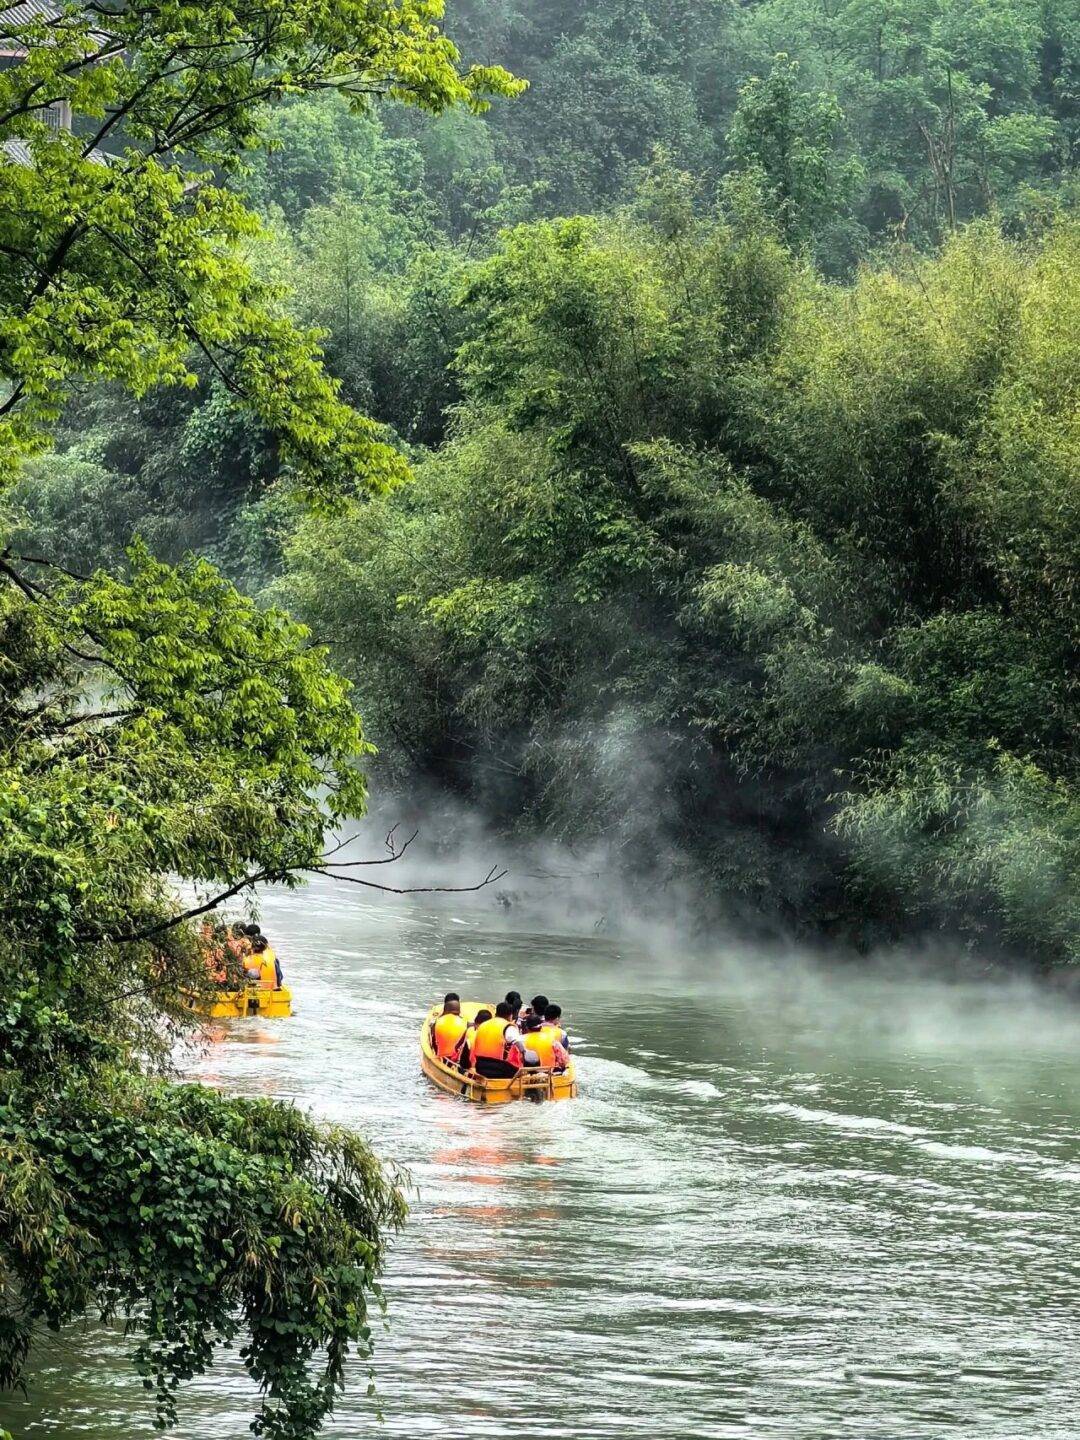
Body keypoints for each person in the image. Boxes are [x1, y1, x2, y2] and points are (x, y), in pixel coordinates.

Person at [471, 1001, 526, 1078]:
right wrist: (524, 1053)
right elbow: (517, 1041)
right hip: (499, 1070)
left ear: (496, 1013)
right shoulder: (508, 1027)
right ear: (510, 1016)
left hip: (480, 1066)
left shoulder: (483, 1025)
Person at [528, 1004, 570, 1070]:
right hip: (551, 1068)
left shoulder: (534, 1028)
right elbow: (565, 1051)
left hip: (530, 1065)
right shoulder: (562, 1033)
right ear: (557, 1018)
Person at [432, 997, 468, 1062]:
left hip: (441, 1057)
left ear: (445, 1010)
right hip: (456, 1059)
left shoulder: (437, 1022)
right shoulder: (465, 1022)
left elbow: (433, 1042)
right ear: (459, 1011)